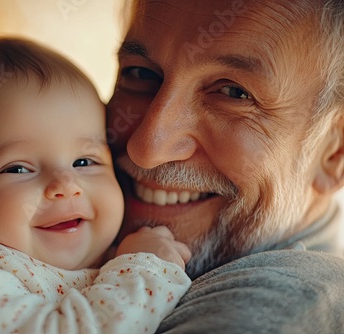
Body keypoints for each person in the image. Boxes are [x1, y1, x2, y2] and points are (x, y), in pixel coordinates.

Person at [0, 36, 192, 333]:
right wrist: (148, 269)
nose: (65, 185)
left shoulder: (106, 251)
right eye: (17, 168)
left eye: (85, 162)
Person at [107, 0, 344, 333]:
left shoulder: (275, 312)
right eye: (140, 73)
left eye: (234, 93)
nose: (147, 149)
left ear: (335, 153)